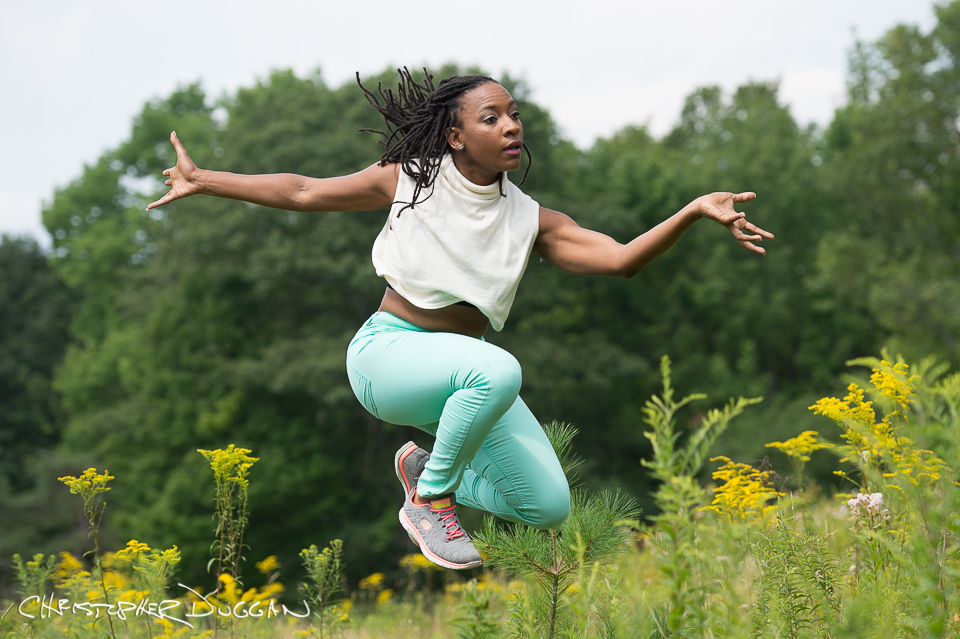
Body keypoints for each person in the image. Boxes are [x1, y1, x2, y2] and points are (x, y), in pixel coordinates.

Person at [147, 68, 773, 570]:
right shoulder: (411, 180)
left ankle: (425, 470)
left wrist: (691, 211)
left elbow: (620, 261)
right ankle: (431, 499)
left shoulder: (532, 220)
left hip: (463, 380)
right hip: (387, 357)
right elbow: (305, 191)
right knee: (499, 370)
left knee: (548, 505)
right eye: (491, 117)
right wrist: (207, 180)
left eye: (514, 115)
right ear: (454, 135)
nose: (510, 127)